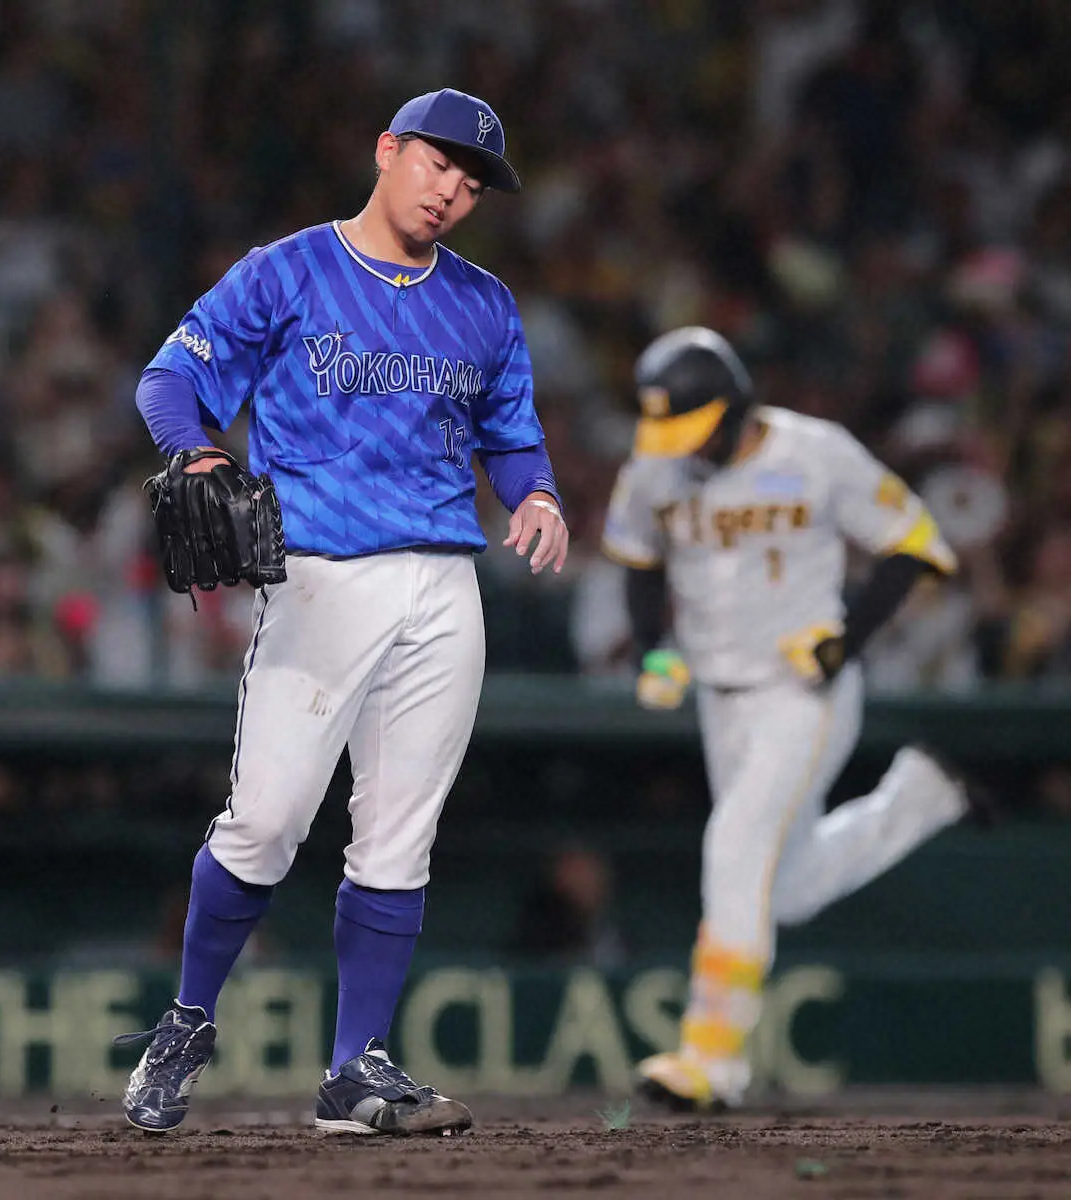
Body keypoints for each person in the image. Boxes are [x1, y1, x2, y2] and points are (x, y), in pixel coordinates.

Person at [115, 88, 568, 1136]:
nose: (452, 189)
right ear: (386, 150)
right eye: (438, 162)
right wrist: (197, 450)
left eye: (472, 181)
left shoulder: (485, 303)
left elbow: (511, 431)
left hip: (443, 580)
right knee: (267, 822)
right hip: (321, 573)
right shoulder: (288, 270)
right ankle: (187, 1021)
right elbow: (169, 379)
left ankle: (354, 1069)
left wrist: (537, 493)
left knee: (399, 836)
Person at [601, 326, 981, 1112]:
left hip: (801, 691)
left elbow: (915, 543)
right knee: (784, 888)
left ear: (736, 406)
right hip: (719, 697)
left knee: (736, 846)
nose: (688, 447)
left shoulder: (815, 452)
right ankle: (921, 799)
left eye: (698, 427)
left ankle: (712, 1060)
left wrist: (848, 641)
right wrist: (651, 650)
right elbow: (639, 563)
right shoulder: (655, 468)